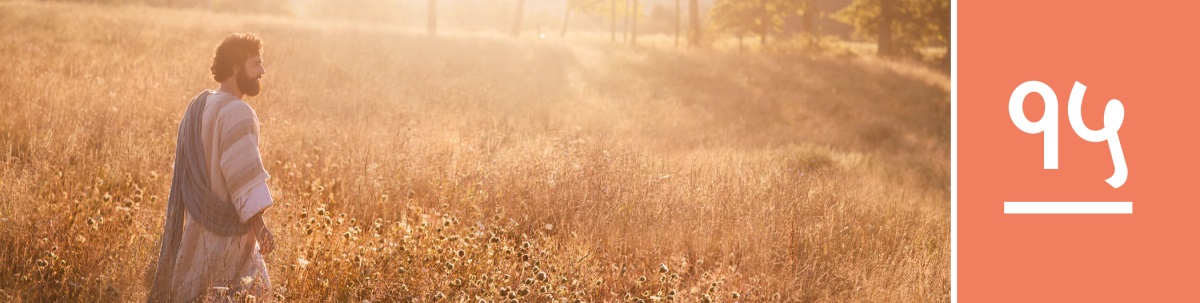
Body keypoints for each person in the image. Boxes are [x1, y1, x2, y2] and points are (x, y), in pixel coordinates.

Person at [148, 32, 276, 302]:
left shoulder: (198, 104)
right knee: (252, 294)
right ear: (235, 67)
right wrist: (260, 227)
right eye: (256, 64)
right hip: (230, 234)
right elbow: (242, 177)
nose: (262, 71)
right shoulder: (237, 111)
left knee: (192, 293)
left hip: (196, 228)